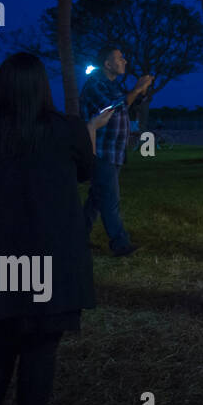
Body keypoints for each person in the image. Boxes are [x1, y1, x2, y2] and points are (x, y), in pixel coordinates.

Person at [0, 53, 109, 405]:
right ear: (44, 87)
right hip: (52, 261)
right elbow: (85, 171)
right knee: (41, 352)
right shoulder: (67, 130)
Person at [79, 44, 153, 257]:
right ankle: (120, 244)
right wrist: (137, 88)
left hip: (113, 151)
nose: (125, 62)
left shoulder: (113, 85)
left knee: (96, 197)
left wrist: (141, 92)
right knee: (110, 199)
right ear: (107, 64)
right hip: (101, 151)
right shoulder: (95, 85)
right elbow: (113, 107)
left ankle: (78, 237)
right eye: (120, 58)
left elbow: (126, 103)